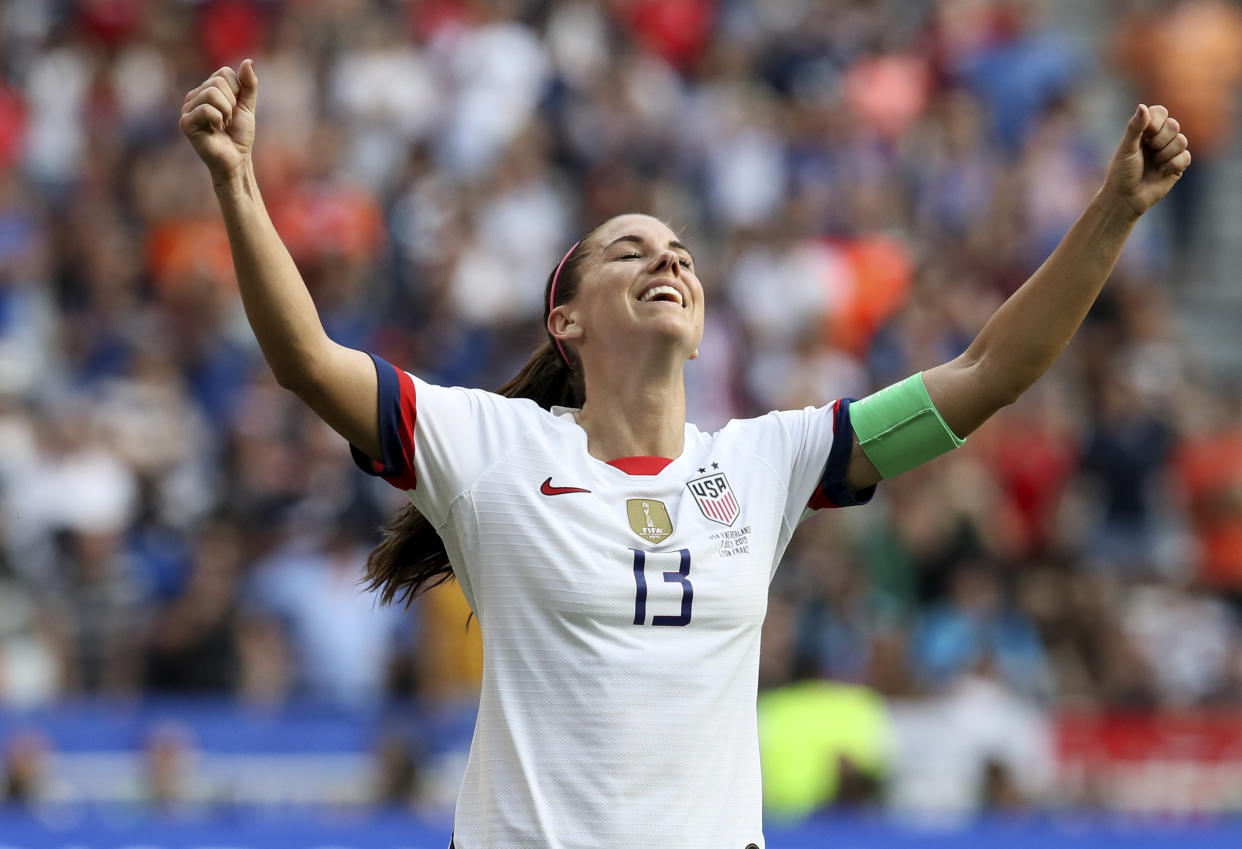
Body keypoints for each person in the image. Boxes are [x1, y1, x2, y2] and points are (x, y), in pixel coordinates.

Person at [180, 58, 1190, 849]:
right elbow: (307, 360)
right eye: (632, 248)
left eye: (682, 254)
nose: (668, 259)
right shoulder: (488, 445)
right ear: (567, 320)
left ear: (702, 324)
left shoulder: (771, 460)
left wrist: (1114, 213)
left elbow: (986, 375)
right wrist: (235, 179)